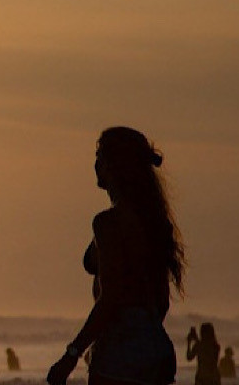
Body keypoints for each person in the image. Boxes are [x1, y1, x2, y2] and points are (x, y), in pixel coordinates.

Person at [46, 127, 185, 385]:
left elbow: (111, 298)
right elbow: (162, 300)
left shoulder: (109, 223)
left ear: (112, 165)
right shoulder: (155, 222)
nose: (95, 163)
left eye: (99, 155)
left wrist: (71, 355)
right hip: (157, 349)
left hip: (120, 353)